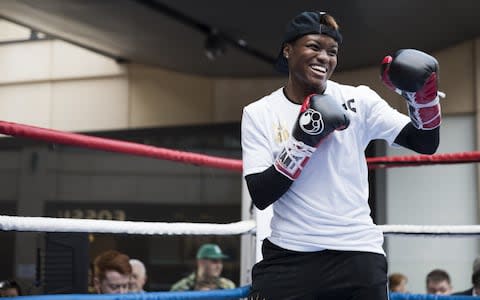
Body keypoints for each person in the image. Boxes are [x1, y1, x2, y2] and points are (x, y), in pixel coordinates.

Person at [241, 10, 441, 300]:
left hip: (356, 252)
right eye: (313, 46)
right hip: (290, 253)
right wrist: (303, 142)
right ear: (287, 50)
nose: (324, 57)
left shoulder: (358, 100)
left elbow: (424, 142)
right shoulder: (259, 113)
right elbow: (260, 194)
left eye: (332, 51)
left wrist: (424, 101)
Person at [170, 243, 235, 291]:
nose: (219, 266)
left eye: (221, 262)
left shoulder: (228, 286)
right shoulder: (181, 288)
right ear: (201, 262)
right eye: (214, 261)